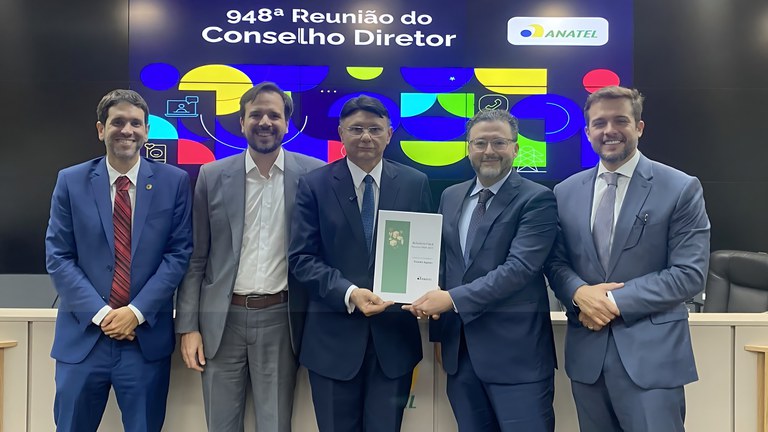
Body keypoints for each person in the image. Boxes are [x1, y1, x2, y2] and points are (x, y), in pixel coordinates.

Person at [545, 86, 710, 431]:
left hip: (652, 360)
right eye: (599, 123)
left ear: (639, 127)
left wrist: (608, 302)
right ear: (587, 131)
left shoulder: (680, 187)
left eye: (620, 120)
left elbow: (689, 273)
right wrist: (578, 293)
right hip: (588, 359)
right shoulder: (565, 191)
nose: (609, 130)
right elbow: (556, 263)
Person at [175, 82, 324, 431]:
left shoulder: (314, 175)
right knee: (221, 425)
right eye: (256, 114)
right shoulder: (212, 175)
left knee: (275, 424)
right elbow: (196, 258)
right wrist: (189, 327)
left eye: (274, 115)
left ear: (287, 123)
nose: (265, 122)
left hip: (281, 320)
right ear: (241, 122)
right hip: (220, 321)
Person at [45, 89, 192, 431]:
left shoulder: (174, 183)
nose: (127, 130)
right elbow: (59, 256)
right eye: (118, 122)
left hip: (143, 341)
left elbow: (178, 254)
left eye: (136, 123)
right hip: (84, 338)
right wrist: (103, 315)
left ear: (147, 131)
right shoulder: (71, 181)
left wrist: (135, 313)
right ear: (101, 129)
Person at [404, 109, 558, 431]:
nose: (489, 151)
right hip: (460, 356)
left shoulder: (537, 199)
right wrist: (429, 317)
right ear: (468, 148)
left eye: (499, 142)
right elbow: (444, 264)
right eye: (480, 143)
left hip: (517, 358)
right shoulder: (450, 196)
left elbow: (519, 269)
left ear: (515, 148)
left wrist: (450, 300)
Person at [288, 95, 432, 432]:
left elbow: (429, 251)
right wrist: (349, 292)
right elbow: (302, 258)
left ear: (389, 134)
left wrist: (424, 289)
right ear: (341, 133)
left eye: (374, 129)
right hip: (332, 344)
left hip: (393, 343)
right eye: (356, 129)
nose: (366, 136)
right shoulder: (314, 185)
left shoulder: (415, 183)